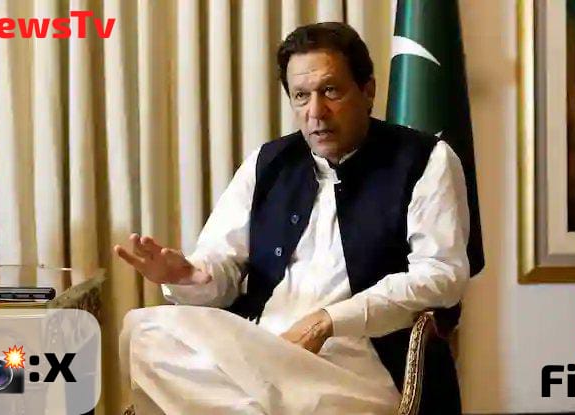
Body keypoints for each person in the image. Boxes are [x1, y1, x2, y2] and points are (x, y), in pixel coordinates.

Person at [116, 22, 470, 415]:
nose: (316, 112)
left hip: (354, 369)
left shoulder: (424, 160)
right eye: (301, 96)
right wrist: (187, 276)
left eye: (330, 91)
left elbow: (442, 275)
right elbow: (219, 269)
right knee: (143, 331)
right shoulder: (268, 162)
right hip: (261, 352)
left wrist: (328, 320)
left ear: (367, 90)